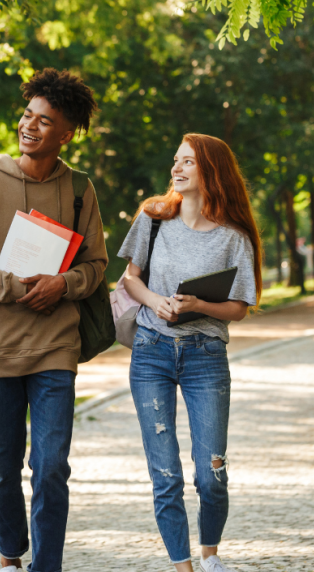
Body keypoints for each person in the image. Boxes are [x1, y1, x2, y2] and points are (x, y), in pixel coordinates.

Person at [0, 68, 106, 572]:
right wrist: (14, 286)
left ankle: (46, 566)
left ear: (66, 134)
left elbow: (96, 265)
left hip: (56, 346)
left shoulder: (79, 189)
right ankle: (11, 556)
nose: (29, 126)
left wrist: (63, 284)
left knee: (51, 466)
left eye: (43, 120)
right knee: (0, 466)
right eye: (27, 115)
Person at [117, 134, 262, 572]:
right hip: (151, 351)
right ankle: (183, 567)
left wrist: (199, 304)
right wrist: (154, 301)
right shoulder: (153, 218)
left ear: (211, 171)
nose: (176, 169)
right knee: (166, 474)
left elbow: (239, 308)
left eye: (187, 162)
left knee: (211, 473)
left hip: (205, 356)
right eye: (175, 161)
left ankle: (210, 555)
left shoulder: (234, 237)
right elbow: (130, 279)